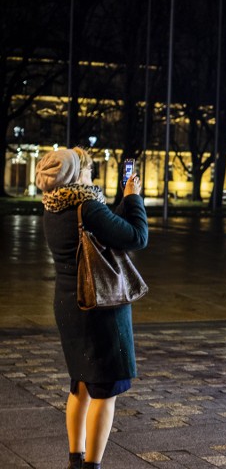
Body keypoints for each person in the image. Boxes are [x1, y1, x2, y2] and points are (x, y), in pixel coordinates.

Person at [36, 147, 148, 469]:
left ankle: (75, 460)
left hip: (69, 305)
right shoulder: (86, 206)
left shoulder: (54, 207)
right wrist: (135, 199)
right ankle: (93, 465)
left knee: (81, 384)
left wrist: (123, 201)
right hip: (98, 305)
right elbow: (137, 237)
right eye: (86, 169)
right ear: (74, 175)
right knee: (104, 391)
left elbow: (104, 225)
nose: (90, 174)